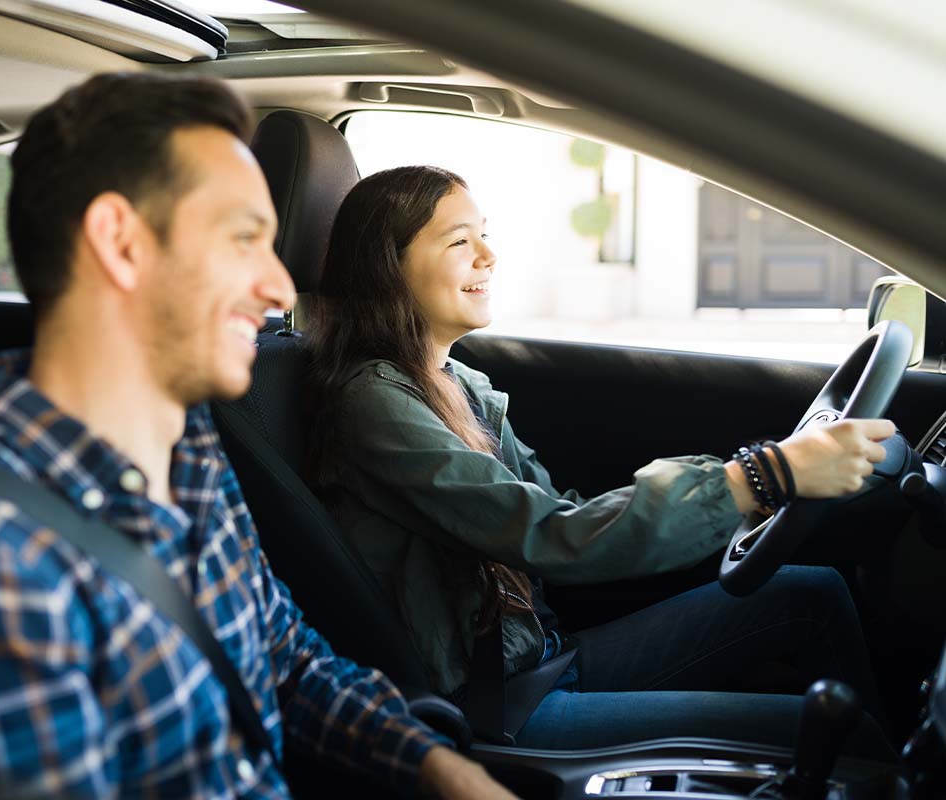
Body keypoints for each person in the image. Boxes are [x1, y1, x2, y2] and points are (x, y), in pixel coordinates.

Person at [0, 78, 517, 799]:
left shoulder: (189, 460)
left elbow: (287, 665)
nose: (276, 284)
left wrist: (435, 766)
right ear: (122, 243)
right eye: (242, 240)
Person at [307, 164, 896, 753]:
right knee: (849, 739)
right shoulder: (375, 403)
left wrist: (738, 483)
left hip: (541, 657)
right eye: (459, 241)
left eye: (484, 233)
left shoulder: (456, 383)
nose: (488, 254)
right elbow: (553, 535)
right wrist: (762, 476)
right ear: (389, 266)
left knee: (810, 594)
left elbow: (561, 510)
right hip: (495, 703)